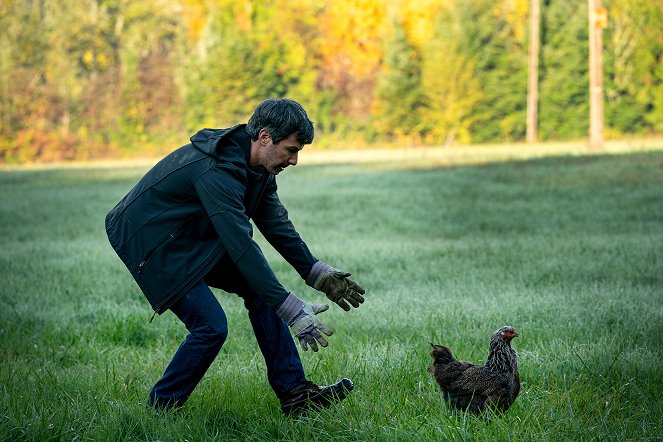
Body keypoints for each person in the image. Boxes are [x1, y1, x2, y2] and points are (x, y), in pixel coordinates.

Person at [105, 98, 365, 415]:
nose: (295, 160)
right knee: (211, 327)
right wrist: (291, 309)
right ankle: (158, 410)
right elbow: (240, 245)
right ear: (265, 137)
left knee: (262, 293)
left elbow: (276, 225)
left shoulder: (259, 168)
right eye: (291, 150)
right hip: (151, 242)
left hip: (191, 236)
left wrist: (315, 272)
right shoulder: (216, 170)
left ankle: (296, 396)